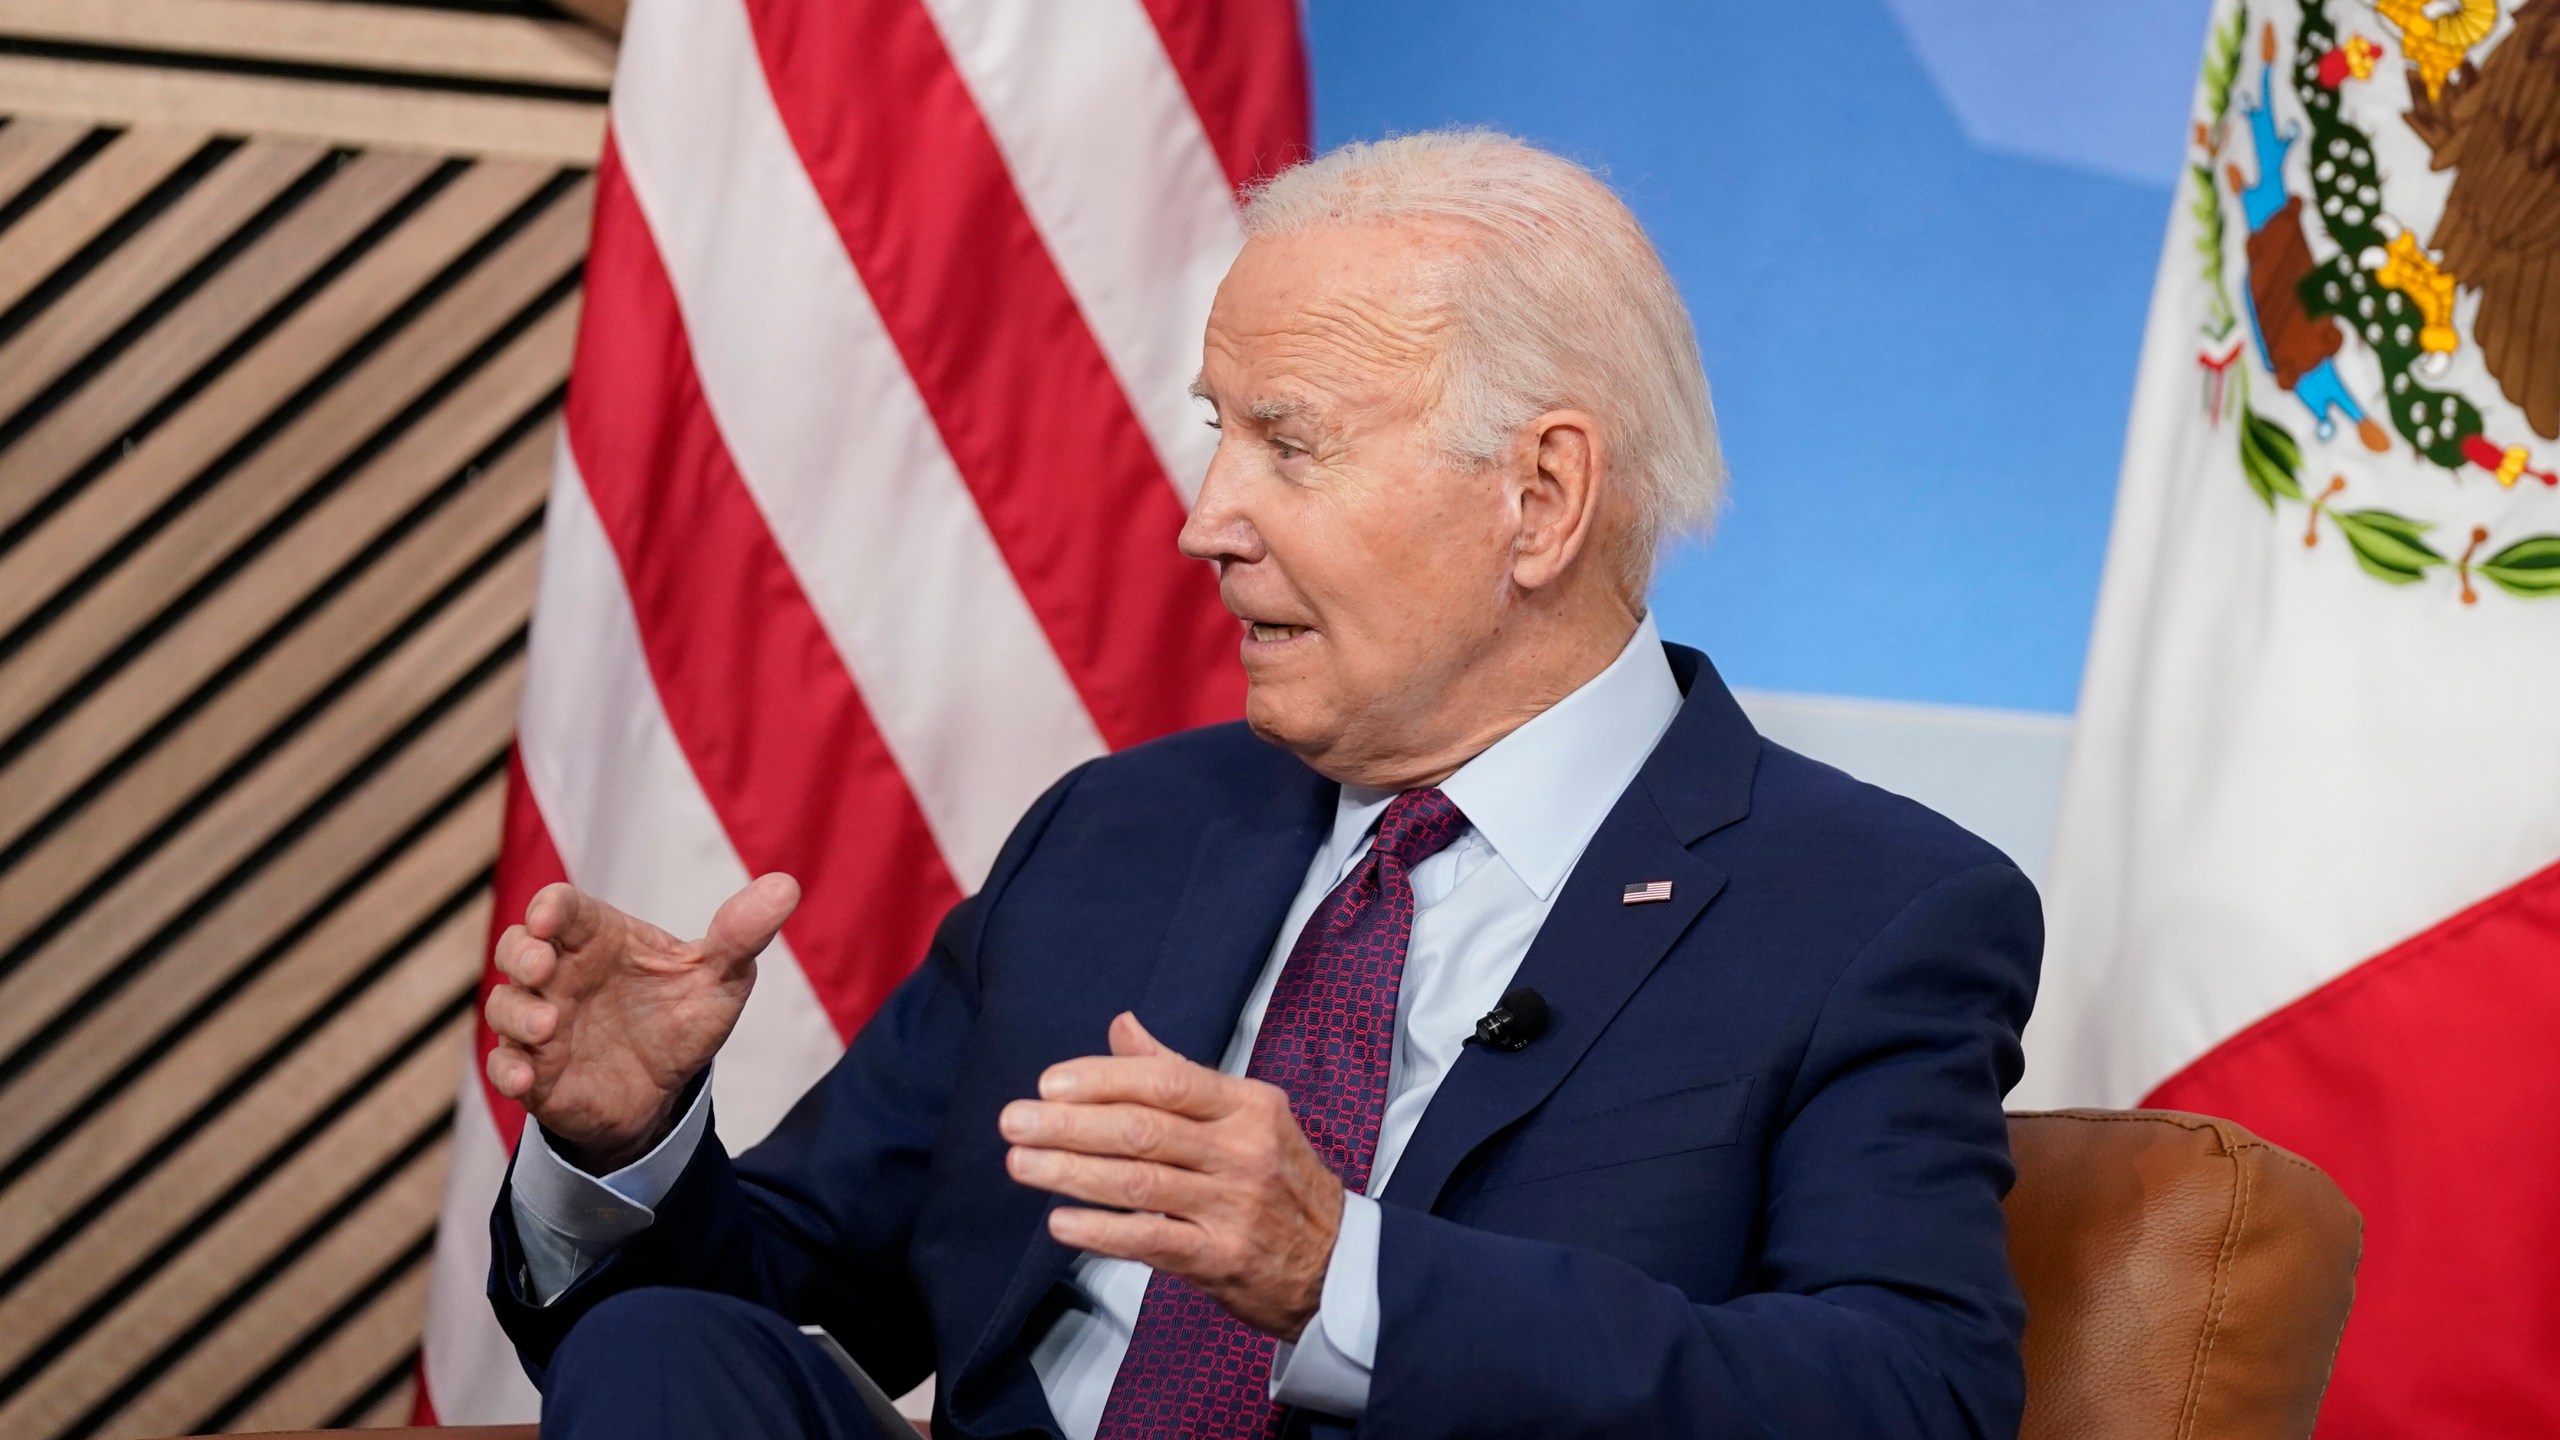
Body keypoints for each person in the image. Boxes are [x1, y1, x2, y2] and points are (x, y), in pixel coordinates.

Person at [481, 130, 2042, 1440]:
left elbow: (1913, 1394)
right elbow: (787, 1299)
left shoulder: (1867, 910)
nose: (1206, 520)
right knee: (655, 1354)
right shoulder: (1121, 834)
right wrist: (626, 1147)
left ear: (1543, 500)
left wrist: (1336, 1275)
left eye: (1289, 449)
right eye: (1219, 436)